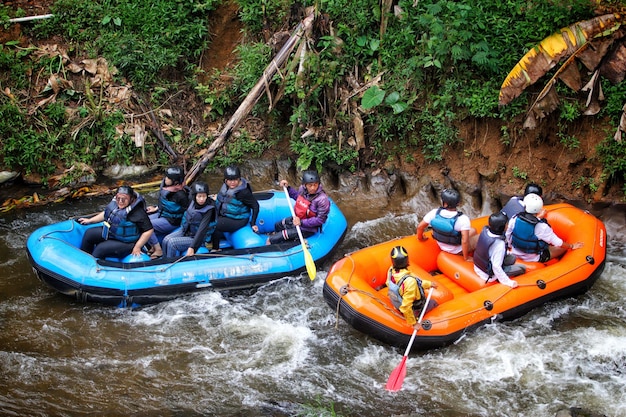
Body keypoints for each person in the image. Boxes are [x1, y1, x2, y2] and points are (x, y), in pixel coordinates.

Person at [78, 185, 153, 259]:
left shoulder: (138, 212)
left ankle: (92, 264)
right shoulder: (115, 203)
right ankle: (83, 258)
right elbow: (108, 213)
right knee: (90, 233)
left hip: (127, 242)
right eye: (118, 198)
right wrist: (90, 220)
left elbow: (149, 230)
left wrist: (137, 247)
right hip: (112, 233)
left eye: (124, 199)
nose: (120, 201)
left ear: (131, 199)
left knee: (100, 248)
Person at [506, 193, 583, 262]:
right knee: (563, 248)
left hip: (515, 251)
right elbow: (558, 243)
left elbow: (508, 234)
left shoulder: (515, 218)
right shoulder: (541, 227)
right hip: (533, 258)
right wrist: (572, 246)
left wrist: (510, 246)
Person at [267, 170, 330, 245]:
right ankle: (284, 240)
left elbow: (320, 220)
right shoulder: (302, 189)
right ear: (305, 185)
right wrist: (288, 188)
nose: (313, 188)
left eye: (315, 185)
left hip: (308, 228)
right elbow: (298, 197)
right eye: (310, 185)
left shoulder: (322, 200)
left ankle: (282, 241)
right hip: (299, 218)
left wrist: (301, 222)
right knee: (278, 225)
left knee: (272, 239)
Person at [416, 188, 476, 261]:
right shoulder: (463, 219)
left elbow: (420, 227)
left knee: (473, 231)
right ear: (457, 204)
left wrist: (420, 238)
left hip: (441, 245)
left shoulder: (434, 213)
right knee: (480, 238)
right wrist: (466, 258)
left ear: (445, 203)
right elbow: (465, 241)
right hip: (457, 250)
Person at [386, 246, 438, 330]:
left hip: (397, 303)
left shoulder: (391, 270)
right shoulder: (410, 281)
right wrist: (414, 323)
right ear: (407, 260)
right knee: (434, 303)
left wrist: (429, 284)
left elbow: (418, 283)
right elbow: (406, 306)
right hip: (412, 309)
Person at [161, 182, 216, 258]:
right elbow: (188, 190)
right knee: (165, 240)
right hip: (187, 231)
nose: (202, 199)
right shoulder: (192, 201)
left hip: (199, 238)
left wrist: (193, 247)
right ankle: (164, 260)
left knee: (172, 243)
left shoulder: (209, 210)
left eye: (204, 196)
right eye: (199, 196)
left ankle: (169, 263)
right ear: (194, 196)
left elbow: (202, 230)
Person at [210, 166, 259, 251]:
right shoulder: (226, 186)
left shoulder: (243, 192)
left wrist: (253, 223)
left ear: (239, 179)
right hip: (226, 214)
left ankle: (216, 248)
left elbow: (255, 206)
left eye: (235, 180)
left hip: (238, 219)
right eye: (230, 180)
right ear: (226, 180)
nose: (232, 182)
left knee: (216, 225)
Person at [145, 166, 190, 259]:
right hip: (163, 214)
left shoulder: (181, 195)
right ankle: (151, 246)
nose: (166, 179)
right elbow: (166, 204)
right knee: (142, 220)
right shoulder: (167, 187)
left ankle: (158, 250)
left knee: (147, 225)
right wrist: (156, 208)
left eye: (168, 178)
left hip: (172, 221)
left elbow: (188, 211)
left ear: (175, 181)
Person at [473, 212, 525, 288]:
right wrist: (508, 282)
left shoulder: (486, 231)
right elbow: (496, 266)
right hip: (488, 274)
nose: (507, 225)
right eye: (506, 224)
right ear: (502, 227)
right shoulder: (499, 244)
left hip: (480, 266)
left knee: (512, 257)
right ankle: (500, 278)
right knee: (522, 268)